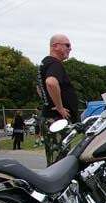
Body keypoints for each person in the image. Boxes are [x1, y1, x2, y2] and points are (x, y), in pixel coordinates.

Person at [36, 34, 79, 165]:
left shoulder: (45, 63)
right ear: (55, 46)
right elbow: (51, 82)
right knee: (60, 161)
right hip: (56, 119)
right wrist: (59, 107)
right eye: (67, 45)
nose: (70, 48)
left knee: (53, 158)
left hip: (49, 117)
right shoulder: (55, 63)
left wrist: (47, 101)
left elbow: (39, 87)